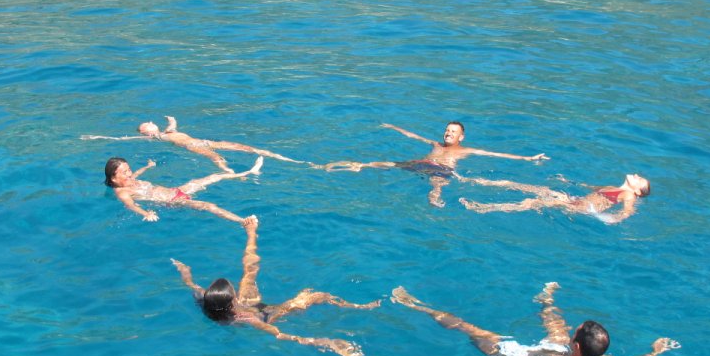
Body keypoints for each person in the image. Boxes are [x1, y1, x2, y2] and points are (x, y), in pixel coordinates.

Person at [391, 282, 679, 356]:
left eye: (575, 333)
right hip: (548, 354)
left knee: (471, 330)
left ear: (578, 345)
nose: (572, 333)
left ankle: (418, 307)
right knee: (555, 333)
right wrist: (656, 350)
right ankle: (547, 301)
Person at [172, 216, 380, 356]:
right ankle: (358, 307)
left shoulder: (204, 300)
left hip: (246, 306)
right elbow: (279, 335)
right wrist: (322, 341)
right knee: (314, 296)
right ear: (232, 299)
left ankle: (251, 232)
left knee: (249, 271)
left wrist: (184, 271)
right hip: (265, 314)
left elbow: (191, 284)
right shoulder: (247, 319)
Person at [320, 121, 547, 207]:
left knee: (437, 182)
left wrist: (527, 158)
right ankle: (359, 165)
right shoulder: (436, 144)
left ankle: (435, 197)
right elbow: (414, 135)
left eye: (453, 132)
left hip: (442, 169)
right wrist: (394, 128)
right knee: (390, 163)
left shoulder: (466, 150)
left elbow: (497, 154)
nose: (448, 134)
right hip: (423, 163)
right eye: (447, 130)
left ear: (461, 137)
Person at [83, 115, 301, 172]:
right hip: (192, 146)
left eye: (149, 122)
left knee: (245, 147)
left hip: (203, 141)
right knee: (217, 159)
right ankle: (232, 173)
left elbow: (174, 124)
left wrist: (171, 120)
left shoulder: (168, 131)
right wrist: (97, 137)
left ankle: (286, 158)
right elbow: (122, 139)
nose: (150, 123)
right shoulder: (156, 137)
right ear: (146, 133)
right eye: (146, 125)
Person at [104, 155, 262, 225]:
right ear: (113, 178)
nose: (130, 174)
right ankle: (242, 221)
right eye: (124, 172)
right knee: (207, 206)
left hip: (176, 190)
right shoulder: (122, 192)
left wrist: (147, 166)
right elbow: (130, 205)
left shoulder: (130, 180)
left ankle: (249, 172)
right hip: (173, 201)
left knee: (214, 176)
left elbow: (137, 174)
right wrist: (147, 213)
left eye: (129, 169)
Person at [458, 172, 650, 224]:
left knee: (533, 202)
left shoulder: (629, 194)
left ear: (639, 191)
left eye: (640, 180)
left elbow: (627, 212)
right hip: (574, 199)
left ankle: (485, 207)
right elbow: (588, 188)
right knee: (530, 187)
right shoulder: (612, 187)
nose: (637, 175)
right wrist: (566, 181)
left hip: (580, 208)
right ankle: (476, 180)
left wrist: (611, 219)